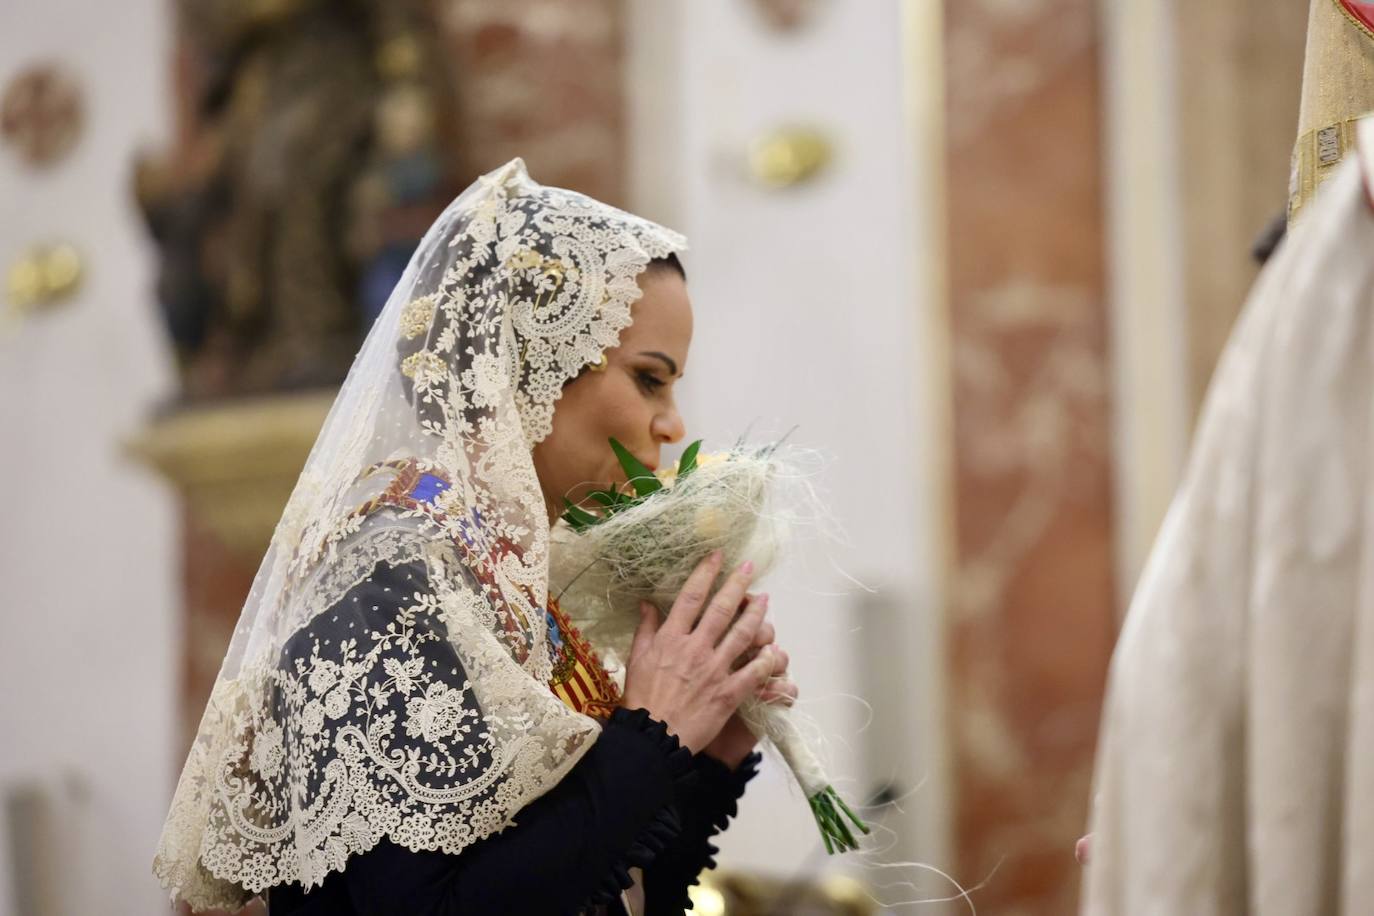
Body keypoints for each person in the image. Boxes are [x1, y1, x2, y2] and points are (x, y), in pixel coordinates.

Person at [153, 158, 797, 915]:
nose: (672, 424)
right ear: (529, 360)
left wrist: (703, 759)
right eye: (649, 379)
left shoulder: (508, 586)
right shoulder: (388, 584)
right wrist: (653, 737)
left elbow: (596, 887)